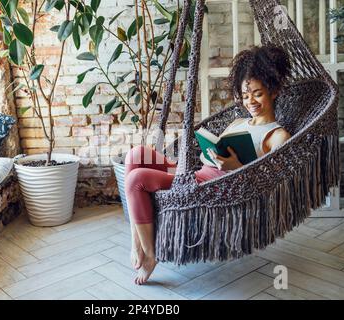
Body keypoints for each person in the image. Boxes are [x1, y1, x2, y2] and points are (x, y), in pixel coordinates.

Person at [124, 45, 293, 285]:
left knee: (135, 180)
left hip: (207, 186)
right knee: (136, 155)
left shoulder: (277, 136)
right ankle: (136, 242)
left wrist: (235, 167)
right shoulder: (237, 122)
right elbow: (214, 150)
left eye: (257, 93)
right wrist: (208, 152)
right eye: (245, 96)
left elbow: (267, 182)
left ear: (273, 91)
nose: (250, 102)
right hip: (196, 172)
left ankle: (150, 256)